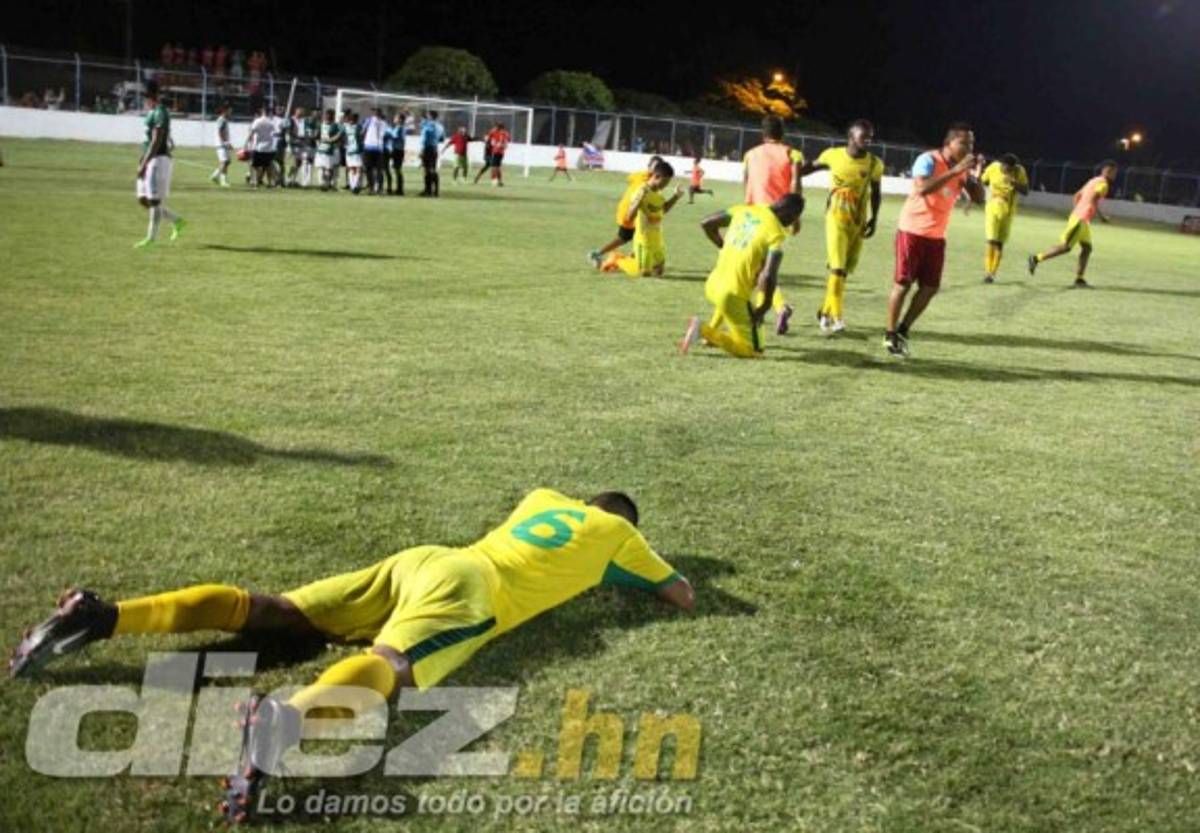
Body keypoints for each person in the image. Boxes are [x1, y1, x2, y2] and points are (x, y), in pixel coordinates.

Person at [9, 488, 694, 825]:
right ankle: (286, 719)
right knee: (393, 664)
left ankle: (105, 615)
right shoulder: (619, 533)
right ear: (622, 516)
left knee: (276, 609)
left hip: (428, 558)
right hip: (472, 591)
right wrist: (626, 562)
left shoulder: (545, 497)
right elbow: (680, 594)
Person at [884, 123, 984, 358]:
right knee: (903, 284)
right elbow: (922, 189)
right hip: (912, 231)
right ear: (949, 143)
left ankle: (903, 330)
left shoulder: (963, 169)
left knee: (930, 288)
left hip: (936, 236)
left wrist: (974, 176)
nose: (969, 147)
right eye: (964, 142)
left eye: (971, 143)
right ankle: (889, 334)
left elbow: (980, 199)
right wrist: (955, 170)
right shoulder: (928, 160)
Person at [679, 194, 806, 358]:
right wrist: (764, 307)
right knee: (754, 351)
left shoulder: (743, 210)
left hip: (712, 284)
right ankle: (703, 330)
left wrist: (722, 245)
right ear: (789, 214)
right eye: (795, 218)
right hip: (732, 295)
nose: (792, 223)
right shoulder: (776, 235)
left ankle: (710, 334)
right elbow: (768, 276)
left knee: (733, 307)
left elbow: (706, 223)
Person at [801, 119, 884, 335]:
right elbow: (809, 168)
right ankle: (837, 317)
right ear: (851, 137)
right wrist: (790, 171)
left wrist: (874, 219)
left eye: (870, 137)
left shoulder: (874, 164)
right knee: (837, 267)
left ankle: (825, 312)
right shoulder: (833, 155)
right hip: (836, 217)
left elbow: (876, 193)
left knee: (842, 271)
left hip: (858, 221)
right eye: (863, 136)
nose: (868, 140)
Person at [741, 116, 805, 334]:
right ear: (783, 133)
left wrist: (746, 210)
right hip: (780, 215)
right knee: (764, 267)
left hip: (755, 215)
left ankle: (770, 310)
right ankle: (777, 308)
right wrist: (795, 216)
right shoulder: (793, 154)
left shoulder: (750, 154)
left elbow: (746, 183)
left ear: (763, 134)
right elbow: (796, 184)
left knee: (761, 268)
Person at [1028, 161, 1117, 288]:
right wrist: (1101, 217)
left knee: (1087, 248)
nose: (1114, 175)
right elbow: (1093, 200)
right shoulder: (1103, 184)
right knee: (1066, 247)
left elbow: (1077, 195)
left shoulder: (1093, 181)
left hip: (1082, 219)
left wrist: (1077, 211)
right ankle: (1036, 258)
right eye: (1113, 172)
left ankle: (1079, 279)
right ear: (1106, 171)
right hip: (1081, 219)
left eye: (1114, 172)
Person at [601, 161, 684, 277]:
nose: (665, 185)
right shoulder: (641, 191)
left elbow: (663, 210)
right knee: (645, 273)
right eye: (665, 182)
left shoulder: (658, 193)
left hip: (657, 238)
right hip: (643, 239)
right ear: (656, 176)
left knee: (659, 271)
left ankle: (634, 261)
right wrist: (637, 202)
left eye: (668, 182)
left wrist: (676, 197)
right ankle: (617, 260)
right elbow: (630, 217)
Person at [133, 80, 185, 249]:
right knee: (143, 199)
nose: (145, 100)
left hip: (158, 159)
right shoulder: (153, 112)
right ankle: (177, 221)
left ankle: (151, 239)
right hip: (149, 157)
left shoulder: (160, 112)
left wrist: (145, 163)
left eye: (146, 96)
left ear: (152, 96)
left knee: (154, 201)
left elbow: (156, 140)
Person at [587, 155, 664, 267]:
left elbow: (630, 178)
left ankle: (631, 257)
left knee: (630, 236)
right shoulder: (650, 181)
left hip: (627, 209)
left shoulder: (639, 175)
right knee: (634, 236)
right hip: (630, 212)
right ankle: (601, 255)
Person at [978, 153, 1029, 283]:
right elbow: (983, 180)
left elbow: (1025, 191)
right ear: (1002, 164)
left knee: (1000, 243)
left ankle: (993, 273)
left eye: (1012, 169)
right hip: (992, 209)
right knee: (991, 240)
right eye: (1008, 168)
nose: (1010, 171)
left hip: (1008, 212)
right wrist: (980, 167)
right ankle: (988, 272)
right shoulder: (994, 167)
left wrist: (1015, 183)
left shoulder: (1019, 171)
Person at [244, 105, 277, 189]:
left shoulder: (257, 121)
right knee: (268, 166)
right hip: (269, 147)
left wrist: (246, 143)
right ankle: (270, 183)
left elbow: (252, 133)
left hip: (259, 147)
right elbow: (274, 133)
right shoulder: (271, 122)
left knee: (255, 166)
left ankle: (255, 183)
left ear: (263, 111)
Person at [314, 108, 343, 192]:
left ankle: (326, 184)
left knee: (328, 168)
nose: (327, 117)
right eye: (326, 115)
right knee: (321, 167)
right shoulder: (321, 125)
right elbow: (317, 136)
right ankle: (322, 184)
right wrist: (318, 142)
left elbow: (339, 136)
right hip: (322, 149)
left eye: (329, 115)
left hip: (329, 149)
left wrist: (331, 140)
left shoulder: (335, 126)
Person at [474, 122, 512, 186]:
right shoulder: (498, 132)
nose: (495, 128)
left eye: (496, 127)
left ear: (498, 128)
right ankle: (496, 181)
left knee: (493, 166)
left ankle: (495, 180)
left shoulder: (495, 132)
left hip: (495, 152)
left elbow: (487, 138)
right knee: (493, 166)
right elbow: (487, 140)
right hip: (491, 152)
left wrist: (500, 144)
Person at [419, 110, 446, 197]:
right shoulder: (440, 126)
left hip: (427, 149)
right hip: (435, 149)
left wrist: (422, 150)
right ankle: (436, 191)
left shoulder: (427, 125)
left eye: (428, 116)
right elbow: (442, 139)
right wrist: (435, 139)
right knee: (433, 170)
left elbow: (424, 139)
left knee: (427, 170)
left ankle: (428, 190)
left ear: (430, 116)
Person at [361, 107, 388, 195]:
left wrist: (363, 140)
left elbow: (362, 132)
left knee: (370, 169)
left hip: (370, 147)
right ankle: (378, 189)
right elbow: (386, 135)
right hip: (378, 148)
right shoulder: (384, 123)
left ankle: (372, 188)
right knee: (378, 170)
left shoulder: (369, 121)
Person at [209, 101, 233, 188]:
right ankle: (223, 181)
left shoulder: (224, 120)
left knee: (227, 161)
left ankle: (215, 176)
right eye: (230, 110)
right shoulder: (222, 120)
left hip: (223, 144)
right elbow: (220, 132)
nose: (231, 112)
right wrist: (226, 142)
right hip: (221, 145)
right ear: (225, 110)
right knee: (224, 162)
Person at [385, 111, 407, 195]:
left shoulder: (399, 127)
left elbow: (394, 136)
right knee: (397, 169)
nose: (394, 119)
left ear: (400, 119)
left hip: (397, 150)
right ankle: (399, 188)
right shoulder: (400, 127)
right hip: (398, 150)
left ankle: (399, 189)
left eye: (396, 117)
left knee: (397, 169)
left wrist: (388, 131)